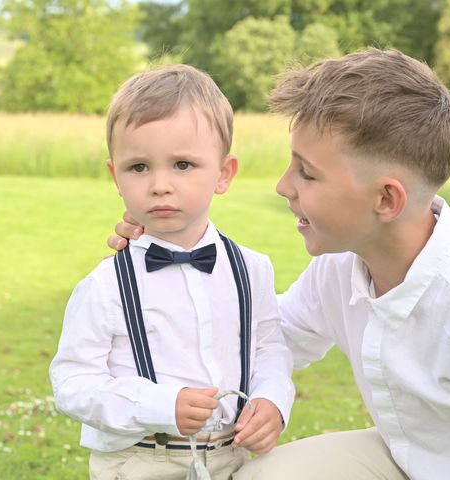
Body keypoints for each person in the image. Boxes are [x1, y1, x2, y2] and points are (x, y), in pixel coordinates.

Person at [109, 48, 450, 480]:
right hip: (404, 460)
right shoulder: (343, 267)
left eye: (307, 173)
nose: (283, 185)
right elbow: (263, 337)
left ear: (386, 199)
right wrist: (164, 261)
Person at [50, 65, 294, 480]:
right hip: (139, 460)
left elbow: (269, 349)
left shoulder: (252, 269)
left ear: (223, 174)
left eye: (182, 164)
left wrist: (273, 400)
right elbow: (73, 381)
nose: (160, 184)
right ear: (116, 176)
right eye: (139, 168)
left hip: (231, 456)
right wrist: (161, 406)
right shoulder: (105, 285)